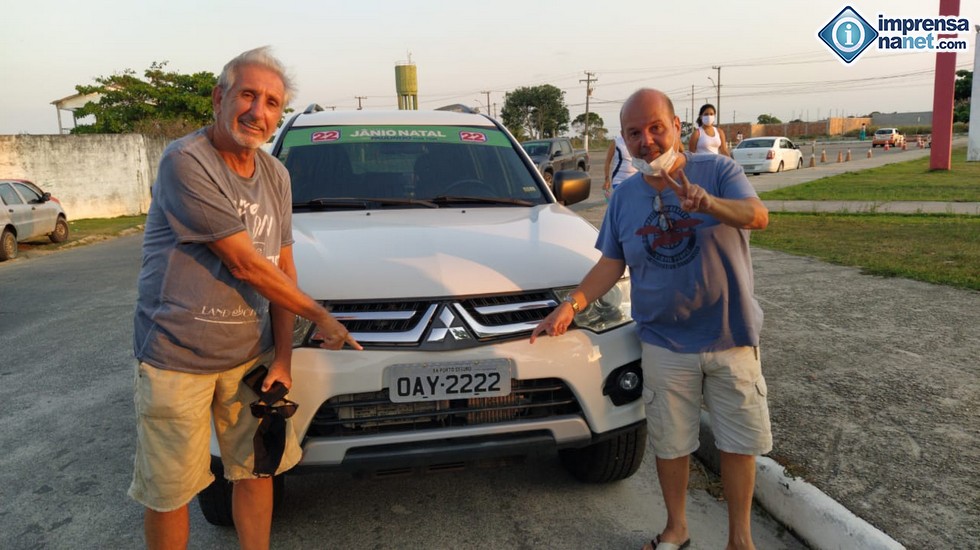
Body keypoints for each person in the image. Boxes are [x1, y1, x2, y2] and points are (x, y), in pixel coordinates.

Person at [130, 46, 362, 550]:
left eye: (272, 102)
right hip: (177, 358)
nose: (258, 111)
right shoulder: (186, 163)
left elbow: (283, 269)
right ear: (219, 98)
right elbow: (245, 264)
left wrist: (283, 358)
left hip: (249, 358)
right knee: (171, 492)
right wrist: (321, 316)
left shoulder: (276, 175)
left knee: (258, 471)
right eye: (248, 96)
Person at [530, 88, 771, 550]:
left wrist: (710, 204)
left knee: (738, 443)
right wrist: (570, 305)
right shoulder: (625, 197)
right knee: (670, 442)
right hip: (664, 342)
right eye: (634, 133)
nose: (647, 141)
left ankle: (740, 541)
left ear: (677, 127)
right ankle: (676, 529)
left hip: (730, 335)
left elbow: (757, 216)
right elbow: (610, 263)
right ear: (624, 139)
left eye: (656, 128)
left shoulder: (718, 171)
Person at [603, 133, 637, 201]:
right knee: (624, 200)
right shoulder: (616, 142)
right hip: (619, 179)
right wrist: (607, 179)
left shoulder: (637, 141)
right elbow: (607, 162)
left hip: (635, 179)